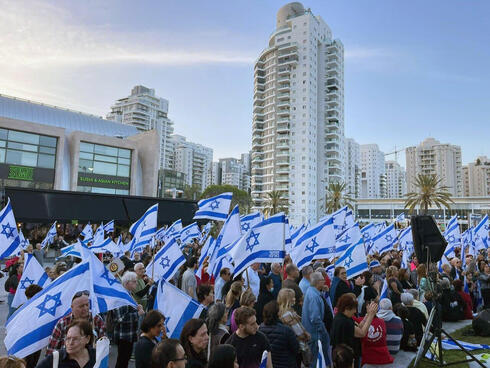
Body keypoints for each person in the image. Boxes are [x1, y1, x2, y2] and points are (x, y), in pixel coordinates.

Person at [47, 291, 105, 355]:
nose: (85, 308)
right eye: (81, 306)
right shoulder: (62, 323)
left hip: (91, 362)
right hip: (67, 363)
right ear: (72, 307)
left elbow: (104, 345)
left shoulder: (96, 320)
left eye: (87, 304)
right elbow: (51, 350)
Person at [330, 294, 378, 368]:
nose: (355, 311)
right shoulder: (343, 321)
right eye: (353, 308)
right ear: (346, 308)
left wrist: (367, 315)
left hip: (342, 355)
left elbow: (358, 327)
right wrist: (371, 316)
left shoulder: (343, 316)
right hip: (345, 358)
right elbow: (362, 333)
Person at [113, 272, 145, 368]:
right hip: (124, 335)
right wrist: (137, 314)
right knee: (122, 361)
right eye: (134, 282)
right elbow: (121, 318)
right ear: (127, 283)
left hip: (129, 334)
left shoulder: (128, 294)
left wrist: (137, 307)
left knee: (124, 360)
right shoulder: (121, 297)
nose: (136, 283)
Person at [302, 272, 330, 367]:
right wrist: (323, 330)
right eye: (323, 280)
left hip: (313, 333)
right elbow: (315, 318)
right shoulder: (314, 296)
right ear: (318, 282)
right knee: (316, 361)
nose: (324, 281)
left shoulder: (312, 292)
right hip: (315, 334)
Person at [259, 301, 299, 368]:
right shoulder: (287, 330)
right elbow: (296, 348)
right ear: (277, 314)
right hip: (286, 364)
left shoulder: (260, 329)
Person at [277, 288, 310, 367]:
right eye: (293, 297)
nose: (294, 299)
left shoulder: (281, 312)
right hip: (297, 346)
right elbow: (298, 332)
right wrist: (306, 336)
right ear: (288, 299)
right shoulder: (288, 314)